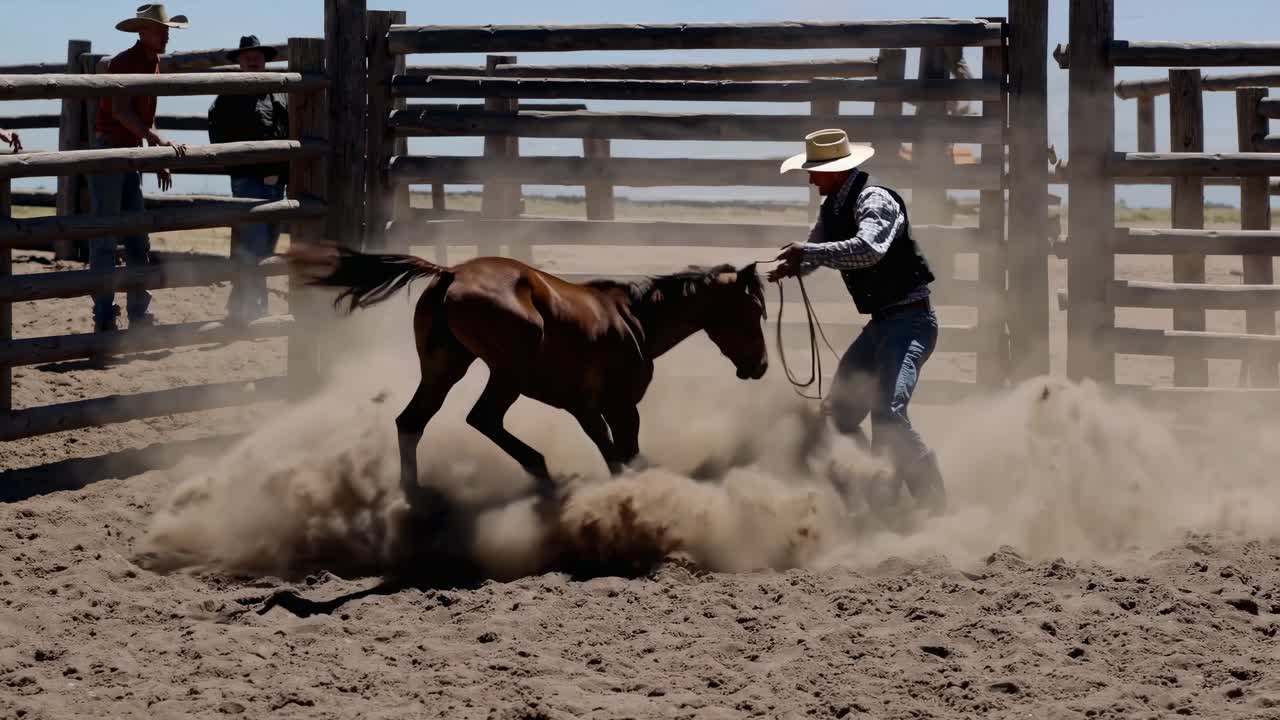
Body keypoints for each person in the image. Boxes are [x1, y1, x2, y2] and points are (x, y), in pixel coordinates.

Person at [768, 128, 947, 517]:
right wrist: (793, 265)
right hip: (884, 325)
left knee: (888, 413)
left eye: (815, 170)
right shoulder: (834, 207)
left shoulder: (874, 200)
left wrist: (809, 252)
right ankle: (877, 492)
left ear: (836, 171)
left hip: (910, 323)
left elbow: (868, 250)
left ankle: (933, 507)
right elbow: (816, 249)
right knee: (838, 414)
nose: (811, 178)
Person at [88, 3, 189, 345]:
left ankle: (136, 315)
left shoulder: (151, 63)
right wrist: (154, 140)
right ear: (142, 32)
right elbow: (119, 110)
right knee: (108, 235)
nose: (166, 36)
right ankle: (106, 317)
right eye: (161, 30)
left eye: (167, 31)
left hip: (128, 151)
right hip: (112, 151)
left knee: (134, 236)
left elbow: (142, 116)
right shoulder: (125, 63)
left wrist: (153, 148)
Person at [207, 35, 289, 324]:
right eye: (247, 56)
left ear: (264, 59)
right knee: (253, 245)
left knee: (263, 246)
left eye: (256, 56)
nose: (252, 60)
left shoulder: (280, 91)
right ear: (239, 61)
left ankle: (242, 305)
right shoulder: (229, 96)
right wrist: (237, 164)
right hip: (248, 180)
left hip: (276, 181)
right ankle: (253, 309)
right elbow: (216, 128)